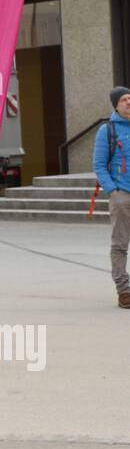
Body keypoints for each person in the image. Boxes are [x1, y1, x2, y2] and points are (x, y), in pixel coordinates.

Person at [92, 86, 130, 307]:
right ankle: (124, 290)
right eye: (124, 99)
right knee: (120, 245)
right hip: (121, 195)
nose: (129, 102)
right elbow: (98, 164)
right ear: (116, 104)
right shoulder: (107, 130)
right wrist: (113, 193)